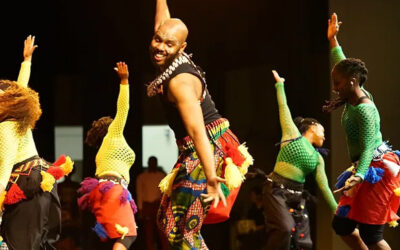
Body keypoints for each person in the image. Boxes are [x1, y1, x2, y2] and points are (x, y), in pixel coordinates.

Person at [148, 0, 253, 248]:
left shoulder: (180, 83)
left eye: (168, 44)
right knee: (166, 220)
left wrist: (210, 177)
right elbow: (163, 20)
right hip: (197, 149)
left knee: (182, 230)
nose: (160, 46)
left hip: (207, 149)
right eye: (157, 39)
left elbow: (197, 131)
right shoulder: (170, 49)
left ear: (181, 47)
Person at [325, 13, 400, 250]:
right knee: (342, 226)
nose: (335, 88)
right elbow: (342, 62)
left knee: (371, 233)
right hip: (365, 167)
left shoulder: (365, 110)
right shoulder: (353, 93)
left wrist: (359, 175)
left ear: (352, 81)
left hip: (376, 168)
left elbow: (368, 146)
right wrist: (333, 40)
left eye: (338, 83)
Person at [0, 36, 73, 250]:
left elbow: (4, 167)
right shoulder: (19, 118)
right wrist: (27, 61)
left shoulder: (5, 126)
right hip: (42, 183)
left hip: (27, 184)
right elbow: (20, 90)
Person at [262, 70, 337, 250]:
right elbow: (283, 107)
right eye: (323, 131)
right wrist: (279, 85)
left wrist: (337, 209)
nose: (324, 137)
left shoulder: (318, 158)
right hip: (276, 190)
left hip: (297, 196)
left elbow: (324, 186)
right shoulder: (292, 135)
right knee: (284, 229)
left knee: (304, 242)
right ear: (312, 127)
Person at [77, 62, 137, 250]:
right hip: (113, 191)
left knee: (112, 237)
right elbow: (123, 109)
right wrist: (124, 81)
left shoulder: (103, 151)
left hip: (101, 192)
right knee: (128, 234)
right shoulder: (114, 134)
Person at [136, 156, 168, 250]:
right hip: (147, 206)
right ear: (148, 163)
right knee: (149, 233)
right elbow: (139, 193)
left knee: (162, 232)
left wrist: (164, 206)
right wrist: (141, 209)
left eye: (154, 162)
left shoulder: (161, 175)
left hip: (158, 205)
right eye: (151, 162)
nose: (152, 164)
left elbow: (165, 192)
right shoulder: (142, 177)